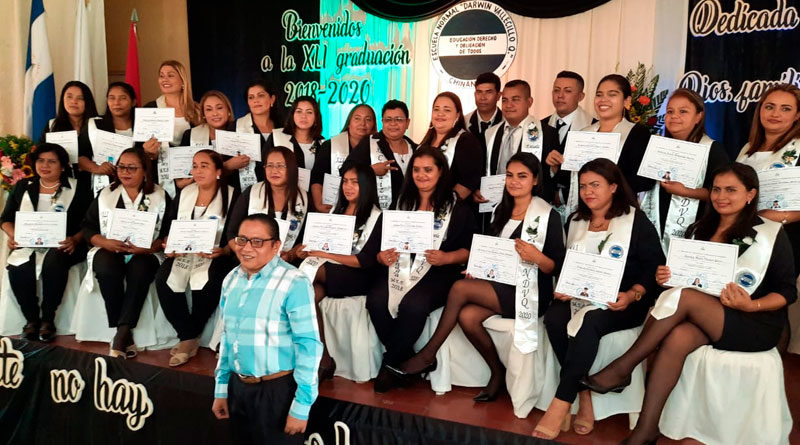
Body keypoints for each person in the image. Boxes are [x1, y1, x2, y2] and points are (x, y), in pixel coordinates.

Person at [583, 163, 796, 445]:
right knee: (679, 336)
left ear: (750, 194)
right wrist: (666, 277)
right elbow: (687, 282)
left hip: (753, 322)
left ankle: (624, 367)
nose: (721, 196)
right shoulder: (699, 229)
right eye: (717, 189)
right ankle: (646, 431)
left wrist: (750, 306)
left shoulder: (769, 234)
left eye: (731, 190)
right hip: (708, 317)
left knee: (683, 298)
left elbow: (787, 292)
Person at [389, 152, 565, 403]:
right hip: (500, 285)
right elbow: (490, 254)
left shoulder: (548, 216)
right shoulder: (500, 210)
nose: (514, 182)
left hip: (531, 291)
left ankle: (428, 355)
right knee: (467, 316)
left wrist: (536, 256)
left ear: (535, 180)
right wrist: (479, 269)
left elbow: (554, 267)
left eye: (522, 177)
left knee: (460, 289)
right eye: (510, 176)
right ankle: (497, 372)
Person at [533, 158, 663, 440]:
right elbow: (568, 265)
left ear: (614, 187)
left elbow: (654, 267)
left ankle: (560, 403)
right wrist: (565, 286)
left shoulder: (635, 220)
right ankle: (585, 397)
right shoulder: (576, 220)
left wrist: (632, 294)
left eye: (595, 185)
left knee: (591, 320)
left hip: (623, 301)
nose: (588, 192)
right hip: (582, 296)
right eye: (583, 186)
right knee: (555, 317)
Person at [365, 147, 477, 393]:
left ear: (441, 173)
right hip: (399, 269)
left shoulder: (457, 209)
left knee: (413, 305)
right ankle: (407, 359)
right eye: (416, 170)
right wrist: (382, 257)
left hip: (438, 271)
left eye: (428, 170)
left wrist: (448, 257)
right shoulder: (401, 203)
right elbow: (378, 246)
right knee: (375, 300)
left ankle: (390, 364)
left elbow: (470, 250)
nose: (421, 175)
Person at [211, 213, 322, 445]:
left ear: (276, 246)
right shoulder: (231, 279)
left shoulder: (295, 282)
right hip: (237, 388)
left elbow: (309, 346)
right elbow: (228, 338)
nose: (247, 248)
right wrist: (221, 389)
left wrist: (301, 406)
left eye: (257, 241)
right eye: (242, 240)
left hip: (278, 393)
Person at [295, 160, 383, 380]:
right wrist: (310, 251)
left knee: (302, 276)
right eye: (345, 181)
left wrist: (323, 255)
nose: (348, 187)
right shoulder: (338, 209)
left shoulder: (377, 216)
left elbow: (364, 261)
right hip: (331, 271)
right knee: (309, 294)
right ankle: (324, 359)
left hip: (359, 276)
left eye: (355, 182)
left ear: (367, 185)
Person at [81, 147, 169, 358]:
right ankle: (123, 330)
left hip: (145, 252)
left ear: (145, 171)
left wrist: (149, 247)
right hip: (110, 248)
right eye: (121, 167)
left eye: (132, 168)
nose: (125, 172)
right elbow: (88, 227)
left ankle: (122, 331)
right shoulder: (106, 195)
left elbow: (167, 231)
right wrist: (104, 242)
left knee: (141, 269)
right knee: (105, 267)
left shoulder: (160, 195)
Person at [154, 150, 237, 367]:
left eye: (204, 166)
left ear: (218, 171)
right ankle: (188, 336)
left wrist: (226, 250)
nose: (197, 171)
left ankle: (188, 338)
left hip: (214, 253)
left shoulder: (232, 195)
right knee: (163, 279)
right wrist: (168, 245)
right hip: (183, 252)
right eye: (195, 165)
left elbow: (236, 232)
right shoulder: (184, 193)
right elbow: (169, 226)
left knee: (210, 281)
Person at [1, 143, 90, 341]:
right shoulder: (23, 186)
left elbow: (90, 223)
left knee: (54, 261)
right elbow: (5, 218)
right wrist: (13, 234)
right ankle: (31, 319)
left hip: (64, 245)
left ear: (63, 166)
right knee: (19, 266)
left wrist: (74, 239)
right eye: (41, 160)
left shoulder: (78, 188)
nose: (45, 165)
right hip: (28, 243)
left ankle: (48, 319)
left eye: (52, 161)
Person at [547, 74, 655, 218]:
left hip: (619, 213)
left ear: (627, 101)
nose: (603, 99)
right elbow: (571, 181)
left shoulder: (637, 133)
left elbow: (643, 181)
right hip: (584, 211)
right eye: (599, 94)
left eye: (612, 94)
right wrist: (556, 166)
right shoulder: (584, 133)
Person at [640, 88, 729, 253]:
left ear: (698, 116)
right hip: (655, 224)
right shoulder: (658, 147)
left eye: (683, 111)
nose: (674, 116)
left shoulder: (712, 149)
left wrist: (685, 191)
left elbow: (722, 194)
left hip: (696, 228)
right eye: (670, 111)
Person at [736, 83, 800, 276]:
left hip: (784, 238)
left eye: (785, 108)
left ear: (797, 115)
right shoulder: (747, 149)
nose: (775, 113)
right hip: (743, 232)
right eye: (769, 106)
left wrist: (774, 216)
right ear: (760, 110)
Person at [226, 146, 309, 264]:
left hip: (287, 264)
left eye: (280, 165)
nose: (274, 171)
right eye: (269, 165)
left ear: (291, 169)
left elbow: (307, 238)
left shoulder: (305, 199)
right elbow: (232, 233)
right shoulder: (251, 193)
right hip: (247, 261)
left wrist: (291, 254)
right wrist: (245, 254)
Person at [479, 80, 559, 201]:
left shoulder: (547, 133)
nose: (508, 105)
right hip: (495, 204)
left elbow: (551, 177)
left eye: (515, 99)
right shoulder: (490, 133)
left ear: (529, 102)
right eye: (505, 100)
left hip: (532, 205)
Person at [142, 60, 201, 197]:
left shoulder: (197, 110)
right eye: (161, 75)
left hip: (191, 175)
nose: (165, 79)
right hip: (160, 176)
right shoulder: (150, 109)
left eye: (170, 75)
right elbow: (139, 148)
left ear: (182, 81)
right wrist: (149, 152)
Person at [346, 100, 417, 210]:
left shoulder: (416, 149)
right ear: (382, 122)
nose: (393, 124)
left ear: (407, 123)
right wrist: (370, 170)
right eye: (388, 120)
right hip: (376, 213)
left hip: (411, 212)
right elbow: (345, 170)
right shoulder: (369, 143)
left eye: (398, 119)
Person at [180, 90, 254, 195]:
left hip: (235, 195)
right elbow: (184, 175)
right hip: (199, 195)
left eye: (219, 108)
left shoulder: (241, 132)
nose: (215, 113)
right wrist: (227, 166)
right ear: (204, 114)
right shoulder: (189, 135)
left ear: (228, 111)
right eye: (209, 109)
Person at [543, 71, 593, 214]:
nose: (560, 96)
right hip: (544, 202)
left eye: (568, 91)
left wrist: (563, 195)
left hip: (580, 205)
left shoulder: (594, 127)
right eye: (556, 90)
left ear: (580, 96)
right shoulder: (539, 126)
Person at [311, 104, 376, 212]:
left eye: (368, 119)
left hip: (367, 209)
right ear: (349, 122)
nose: (362, 123)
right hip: (332, 207)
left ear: (373, 124)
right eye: (357, 118)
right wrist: (318, 204)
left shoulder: (378, 148)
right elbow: (317, 178)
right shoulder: (330, 146)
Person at [418, 92, 484, 200]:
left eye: (447, 110)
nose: (440, 114)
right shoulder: (425, 142)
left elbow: (467, 182)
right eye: (436, 109)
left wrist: (440, 206)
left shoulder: (466, 141)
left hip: (450, 209)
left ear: (457, 115)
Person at [79, 82, 137, 197]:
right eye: (112, 98)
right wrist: (97, 168)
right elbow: (80, 156)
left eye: (123, 98)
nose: (116, 103)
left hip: (136, 186)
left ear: (133, 102)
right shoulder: (95, 125)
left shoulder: (142, 125)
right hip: (103, 185)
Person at [40, 81, 99, 185]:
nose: (74, 102)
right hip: (62, 185)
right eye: (69, 97)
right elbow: (41, 155)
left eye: (80, 98)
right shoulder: (52, 125)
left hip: (93, 183)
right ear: (63, 99)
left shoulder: (98, 124)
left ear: (88, 102)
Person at [236, 80, 281, 188]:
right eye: (251, 97)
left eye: (260, 96)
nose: (256, 101)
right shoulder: (236, 127)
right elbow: (222, 166)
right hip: (245, 192)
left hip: (278, 190)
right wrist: (230, 165)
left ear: (272, 99)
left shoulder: (282, 127)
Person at [267, 96, 325, 170]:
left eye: (309, 112)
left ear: (316, 117)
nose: (303, 116)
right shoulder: (276, 137)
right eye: (299, 111)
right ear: (292, 115)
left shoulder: (321, 143)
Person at [465, 72, 503, 147]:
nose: (483, 97)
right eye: (479, 92)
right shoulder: (464, 122)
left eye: (488, 92)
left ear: (498, 96)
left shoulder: (507, 123)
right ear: (474, 94)